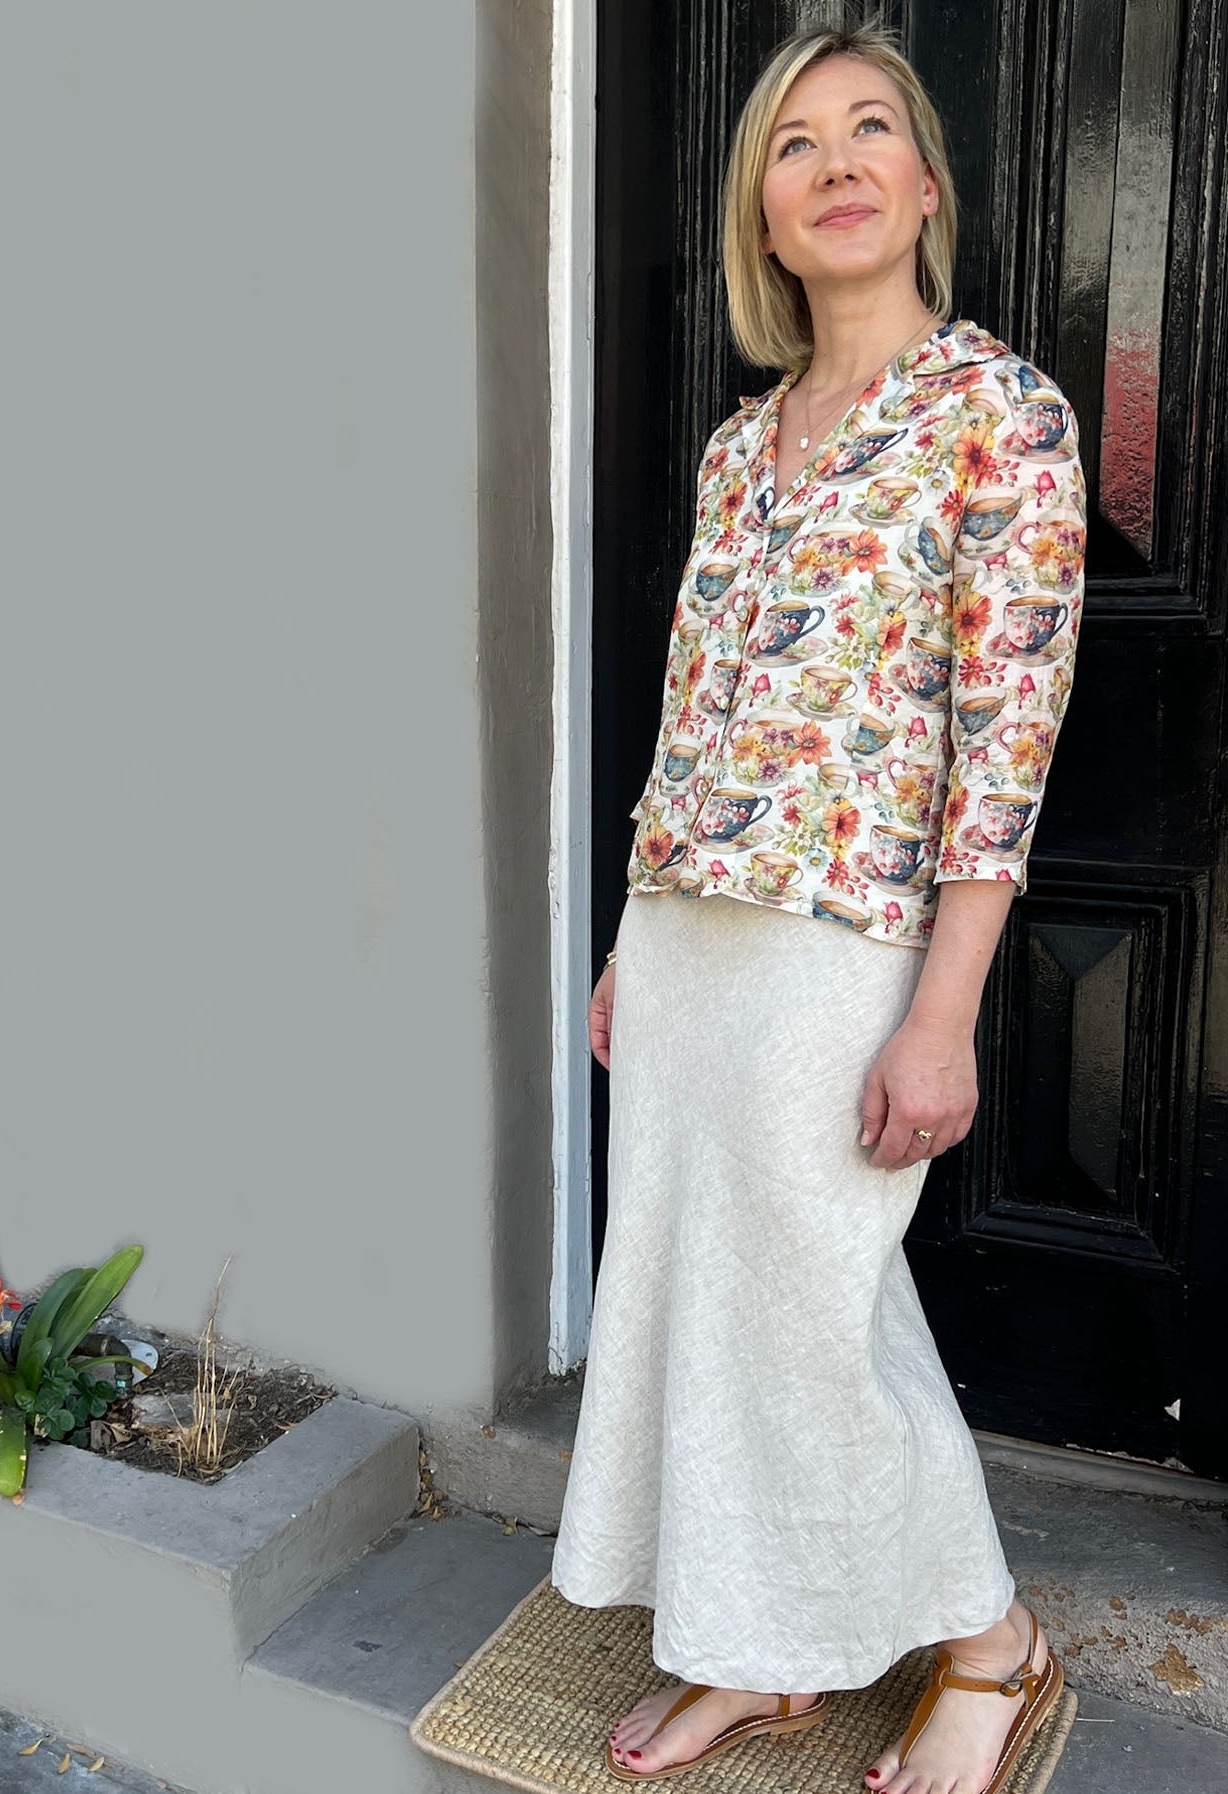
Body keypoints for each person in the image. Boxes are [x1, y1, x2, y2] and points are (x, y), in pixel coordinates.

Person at [549, 21, 1085, 1794]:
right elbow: (690, 708)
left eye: (871, 131)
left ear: (926, 184)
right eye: (796, 144)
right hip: (688, 937)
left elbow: (1005, 739)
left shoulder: (1003, 415)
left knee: (811, 1317)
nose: (837, 163)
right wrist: (628, 934)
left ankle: (991, 1642)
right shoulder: (740, 446)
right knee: (706, 1305)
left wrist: (944, 1012)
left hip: (844, 940)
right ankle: (754, 1646)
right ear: (764, 216)